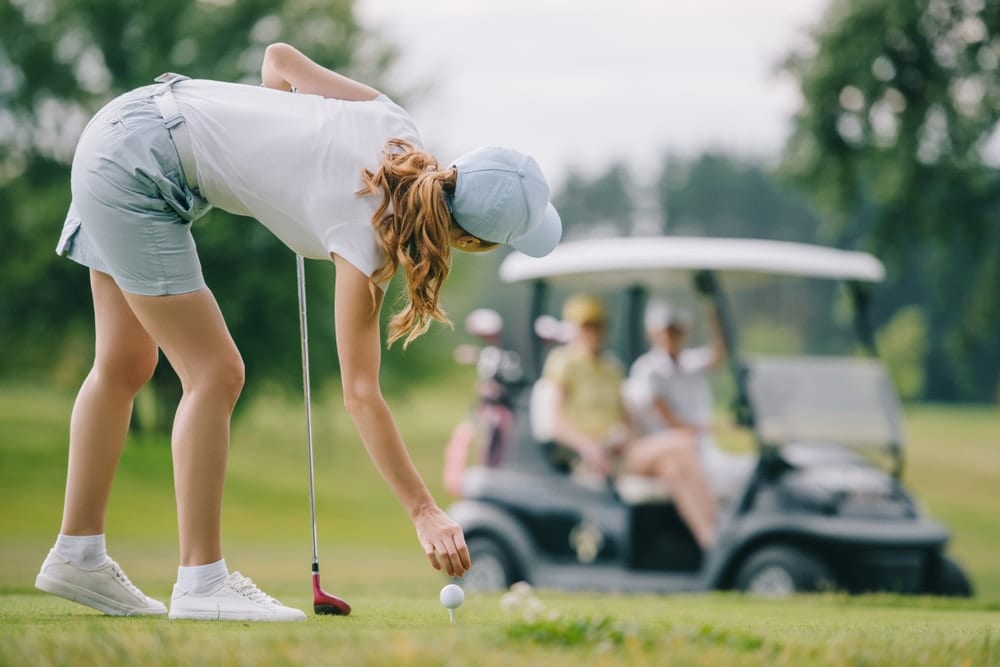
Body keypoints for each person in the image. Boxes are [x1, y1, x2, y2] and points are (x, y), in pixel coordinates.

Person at [35, 42, 562, 621]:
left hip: (125, 122)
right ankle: (201, 581)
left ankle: (76, 553)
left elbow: (280, 59)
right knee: (215, 372)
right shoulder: (370, 237)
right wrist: (424, 511)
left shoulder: (395, 123)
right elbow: (361, 395)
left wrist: (277, 149)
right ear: (470, 241)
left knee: (125, 365)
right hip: (139, 168)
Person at [541, 295, 718, 550]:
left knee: (674, 470)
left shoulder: (612, 367)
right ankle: (721, 527)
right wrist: (587, 446)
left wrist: (625, 436)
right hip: (590, 458)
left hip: (619, 451)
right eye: (587, 326)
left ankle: (708, 541)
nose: (594, 332)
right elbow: (556, 423)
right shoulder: (564, 363)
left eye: (598, 325)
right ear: (576, 329)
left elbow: (627, 420)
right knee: (683, 442)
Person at [627, 296, 750, 498]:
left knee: (747, 470)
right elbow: (673, 423)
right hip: (673, 451)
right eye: (667, 330)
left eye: (676, 330)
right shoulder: (647, 370)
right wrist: (721, 427)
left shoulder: (691, 362)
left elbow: (720, 351)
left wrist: (713, 308)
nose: (671, 336)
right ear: (654, 332)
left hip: (702, 448)